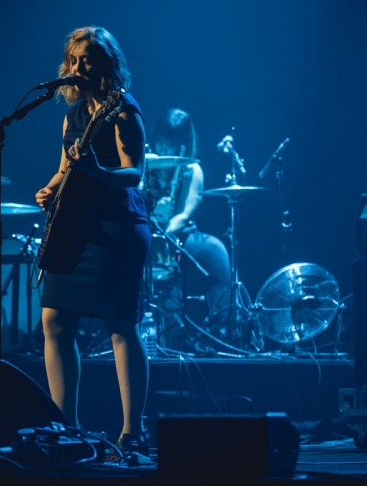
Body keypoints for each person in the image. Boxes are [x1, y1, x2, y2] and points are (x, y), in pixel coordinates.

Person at [34, 26, 150, 452]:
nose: (81, 67)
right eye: (75, 60)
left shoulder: (123, 110)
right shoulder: (76, 113)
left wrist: (97, 171)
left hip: (115, 229)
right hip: (78, 228)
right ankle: (65, 428)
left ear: (107, 64)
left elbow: (134, 173)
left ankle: (132, 431)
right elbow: (66, 167)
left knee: (120, 326)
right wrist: (50, 188)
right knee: (55, 321)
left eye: (89, 60)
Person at [146, 108, 231, 342]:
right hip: (142, 230)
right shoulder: (143, 166)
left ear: (182, 143)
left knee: (215, 251)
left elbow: (183, 215)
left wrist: (163, 233)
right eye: (160, 141)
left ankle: (218, 330)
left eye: (169, 143)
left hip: (178, 234)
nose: (162, 148)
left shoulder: (190, 169)